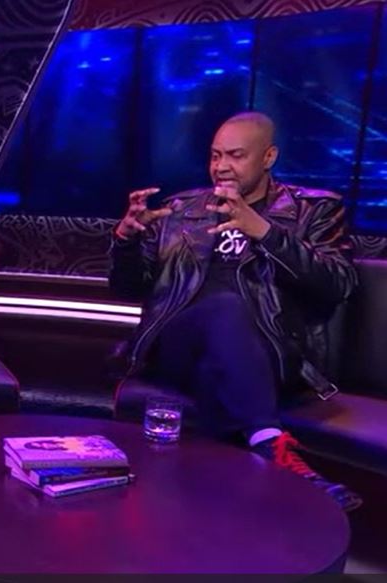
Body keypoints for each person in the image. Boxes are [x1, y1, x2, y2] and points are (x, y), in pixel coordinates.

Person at [109, 111, 362, 511]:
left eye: (236, 155)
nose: (221, 166)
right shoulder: (181, 210)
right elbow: (129, 289)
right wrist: (125, 241)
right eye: (215, 155)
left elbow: (338, 284)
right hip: (177, 346)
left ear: (268, 157)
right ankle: (271, 445)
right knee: (224, 308)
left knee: (219, 363)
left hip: (267, 354)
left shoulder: (315, 211)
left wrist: (264, 231)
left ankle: (210, 512)